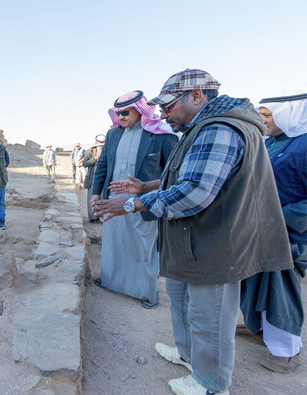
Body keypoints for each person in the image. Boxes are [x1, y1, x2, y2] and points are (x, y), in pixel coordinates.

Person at [93, 69, 293, 394]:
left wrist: (132, 203)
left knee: (209, 318)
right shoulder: (199, 128)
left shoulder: (220, 129)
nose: (163, 114)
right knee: (182, 301)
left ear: (196, 95)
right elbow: (186, 175)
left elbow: (195, 192)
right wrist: (145, 185)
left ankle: (211, 383)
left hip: (214, 246)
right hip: (191, 242)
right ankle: (188, 355)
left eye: (168, 106)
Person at [237, 92, 307, 373]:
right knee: (255, 280)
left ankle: (286, 350)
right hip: (258, 227)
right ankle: (259, 329)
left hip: (288, 232)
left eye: (268, 115)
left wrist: (281, 217)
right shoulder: (272, 142)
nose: (263, 120)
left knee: (281, 288)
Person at [90, 90, 177, 309]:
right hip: (113, 200)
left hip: (143, 202)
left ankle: (147, 293)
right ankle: (111, 282)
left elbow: (173, 173)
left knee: (143, 248)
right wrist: (95, 193)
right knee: (114, 244)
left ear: (140, 110)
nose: (121, 118)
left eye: (126, 113)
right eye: (118, 114)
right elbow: (103, 165)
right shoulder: (113, 134)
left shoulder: (161, 135)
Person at [81, 134, 105, 221]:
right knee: (92, 197)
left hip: (103, 177)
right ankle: (93, 217)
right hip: (92, 178)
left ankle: (102, 216)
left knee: (102, 197)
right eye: (99, 146)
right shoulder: (89, 151)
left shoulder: (107, 150)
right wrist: (95, 159)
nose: (101, 147)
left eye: (102, 146)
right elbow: (84, 163)